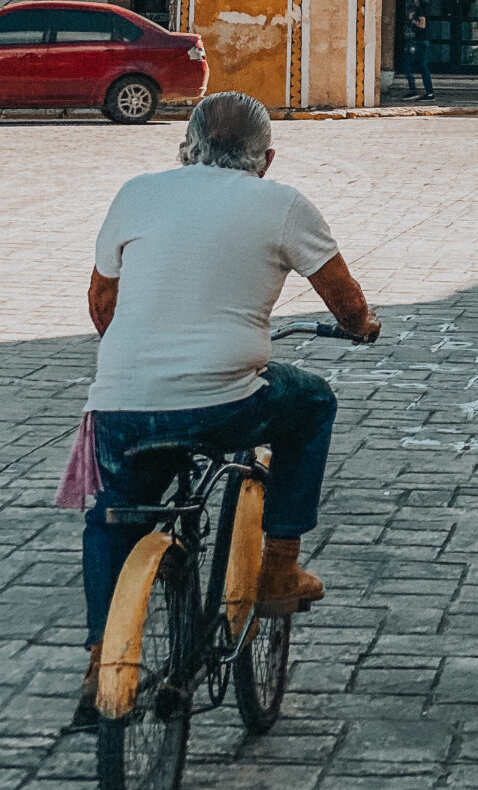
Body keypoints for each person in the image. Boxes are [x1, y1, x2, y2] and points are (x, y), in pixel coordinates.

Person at [69, 91, 380, 729]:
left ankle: (103, 657)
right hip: (226, 404)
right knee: (313, 401)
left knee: (109, 520)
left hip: (120, 406)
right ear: (266, 158)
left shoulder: (136, 192)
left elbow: (103, 301)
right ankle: (278, 568)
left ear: (185, 147)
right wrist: (362, 326)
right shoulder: (283, 204)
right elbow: (346, 302)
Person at [404, 0, 434, 100]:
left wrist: (412, 20)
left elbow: (422, 25)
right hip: (418, 41)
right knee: (419, 66)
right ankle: (427, 92)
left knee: (410, 65)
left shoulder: (420, 10)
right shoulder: (420, 9)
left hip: (418, 41)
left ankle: (417, 91)